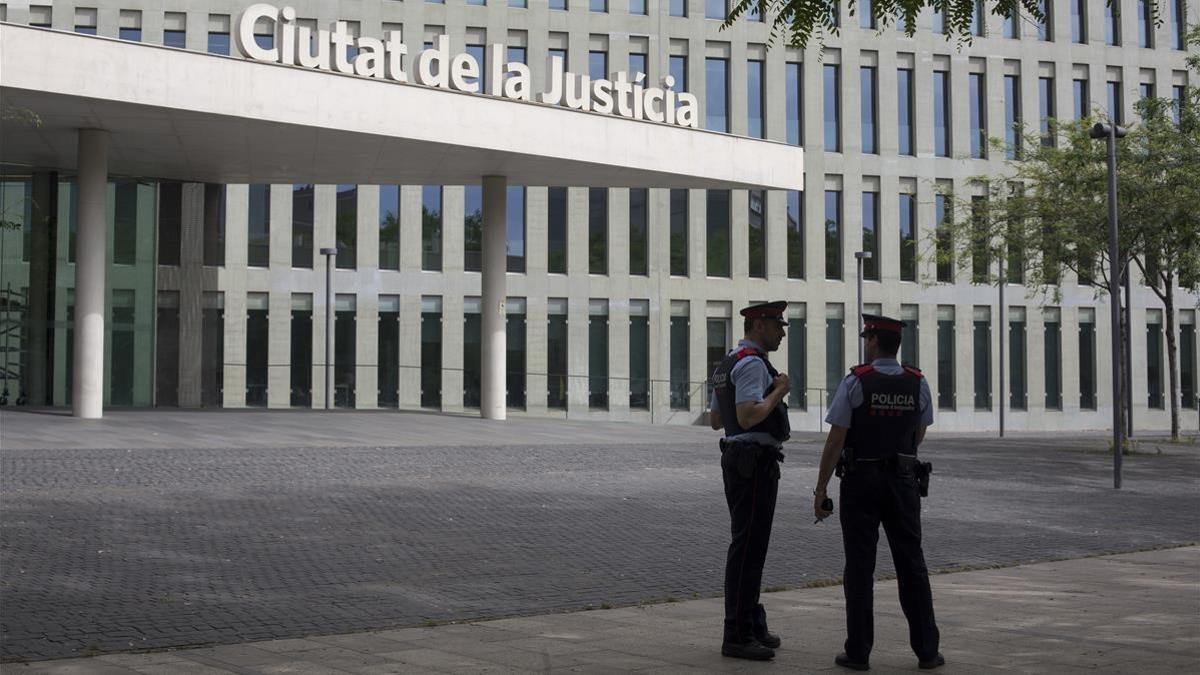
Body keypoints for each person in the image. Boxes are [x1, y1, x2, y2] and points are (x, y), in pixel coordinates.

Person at [813, 314, 944, 671]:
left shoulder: (857, 381)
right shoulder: (918, 382)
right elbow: (920, 431)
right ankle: (927, 651)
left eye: (866, 338)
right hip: (903, 483)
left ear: (872, 342)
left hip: (861, 482)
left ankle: (858, 651)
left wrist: (821, 487)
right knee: (912, 565)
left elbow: (837, 437)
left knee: (859, 568)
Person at [708, 301, 791, 661]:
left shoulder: (728, 362)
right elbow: (746, 415)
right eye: (777, 326)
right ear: (759, 325)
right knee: (748, 548)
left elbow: (715, 419)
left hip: (739, 461)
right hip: (753, 464)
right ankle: (738, 632)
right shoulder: (754, 363)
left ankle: (751, 621)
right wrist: (779, 392)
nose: (782, 332)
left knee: (749, 545)